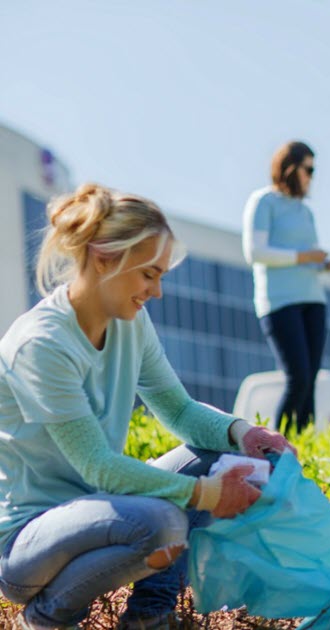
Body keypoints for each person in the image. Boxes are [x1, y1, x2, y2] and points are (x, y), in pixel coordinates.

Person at [0, 184, 295, 630]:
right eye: (148, 274)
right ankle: (47, 618)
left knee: (225, 459)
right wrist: (207, 495)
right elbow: (98, 465)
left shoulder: (131, 323)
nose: (156, 291)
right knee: (162, 522)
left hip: (100, 509)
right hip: (27, 541)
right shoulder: (42, 344)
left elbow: (177, 410)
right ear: (103, 258)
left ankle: (149, 617)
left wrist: (244, 433)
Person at [242, 140, 330, 432]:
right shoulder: (263, 202)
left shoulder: (305, 212)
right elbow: (255, 252)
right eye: (308, 169)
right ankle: (278, 447)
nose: (311, 176)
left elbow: (309, 257)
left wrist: (325, 264)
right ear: (290, 168)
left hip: (313, 300)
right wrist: (304, 256)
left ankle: (303, 448)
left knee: (310, 378)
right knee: (297, 377)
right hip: (279, 302)